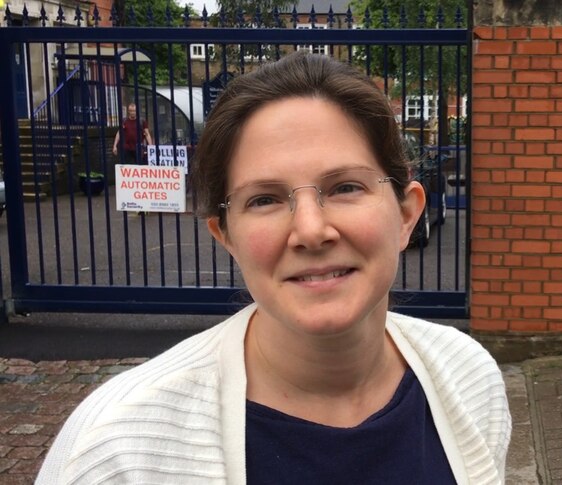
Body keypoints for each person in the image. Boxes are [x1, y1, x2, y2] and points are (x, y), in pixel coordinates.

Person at [37, 52, 511, 484]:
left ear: (407, 214)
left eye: (346, 187)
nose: (310, 230)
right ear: (227, 236)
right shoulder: (117, 450)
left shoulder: (469, 376)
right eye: (264, 199)